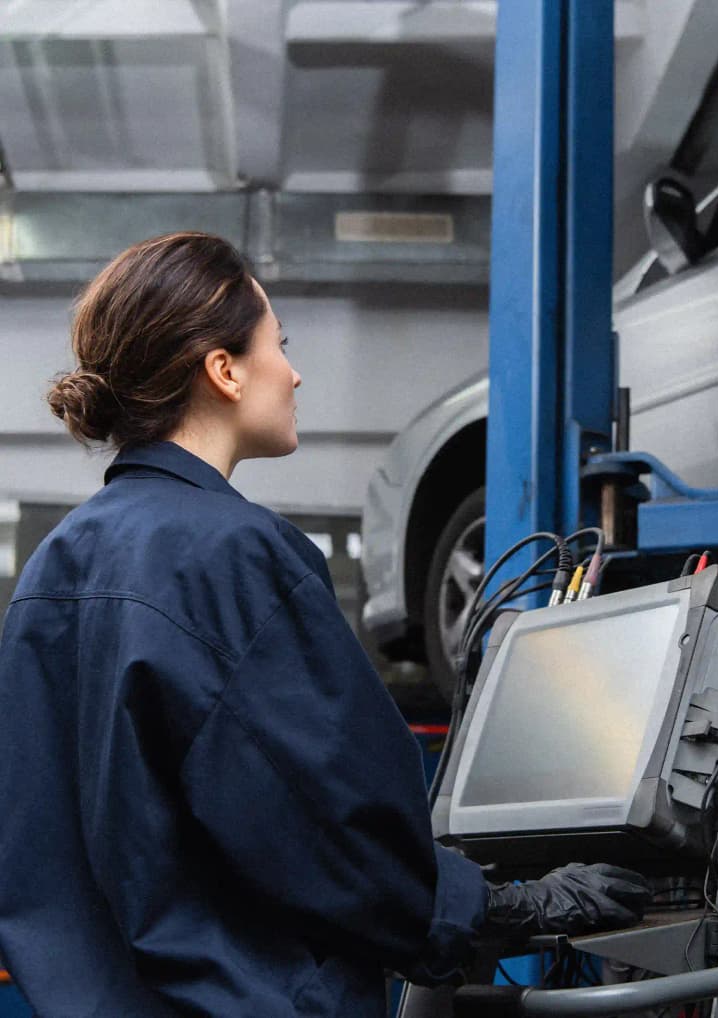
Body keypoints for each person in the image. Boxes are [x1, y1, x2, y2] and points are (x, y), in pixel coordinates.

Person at [0, 233, 650, 1017]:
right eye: (280, 343)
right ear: (224, 369)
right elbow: (331, 828)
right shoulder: (234, 555)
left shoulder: (53, 568)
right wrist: (511, 908)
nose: (295, 370)